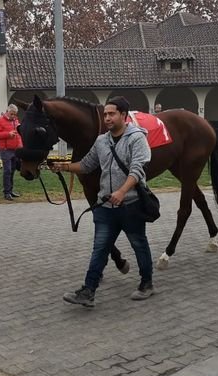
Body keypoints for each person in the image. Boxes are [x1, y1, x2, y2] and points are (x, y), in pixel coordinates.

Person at [52, 96, 154, 307]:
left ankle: (147, 284)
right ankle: (88, 291)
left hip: (131, 205)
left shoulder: (137, 138)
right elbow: (87, 165)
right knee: (100, 248)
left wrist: (122, 191)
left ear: (124, 116)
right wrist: (64, 167)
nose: (107, 118)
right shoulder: (101, 141)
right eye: (105, 114)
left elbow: (137, 169)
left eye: (111, 114)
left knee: (139, 245)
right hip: (105, 206)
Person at [0, 104, 23, 201]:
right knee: (7, 171)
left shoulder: (15, 121)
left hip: (15, 149)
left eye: (15, 114)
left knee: (13, 170)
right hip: (5, 149)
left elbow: (18, 134)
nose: (13, 116)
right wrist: (8, 134)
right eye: (12, 114)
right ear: (7, 111)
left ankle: (10, 190)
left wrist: (20, 145)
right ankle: (6, 192)